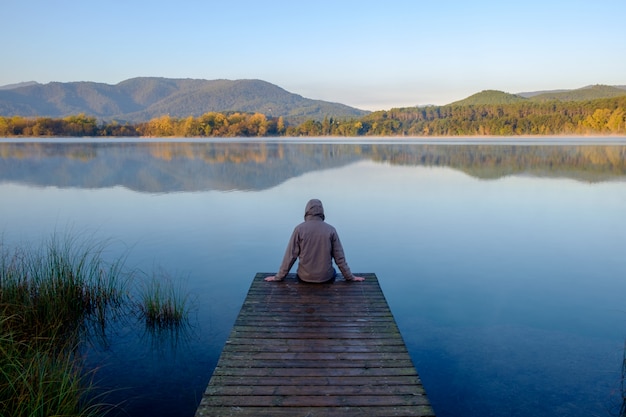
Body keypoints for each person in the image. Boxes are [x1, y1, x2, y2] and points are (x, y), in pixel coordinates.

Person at [265, 199, 364, 283]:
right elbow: (340, 258)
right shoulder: (331, 230)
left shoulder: (299, 229)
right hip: (326, 278)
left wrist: (278, 277)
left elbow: (290, 257)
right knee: (332, 271)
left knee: (300, 271)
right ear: (322, 212)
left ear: (307, 211)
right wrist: (350, 277)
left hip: (304, 277)